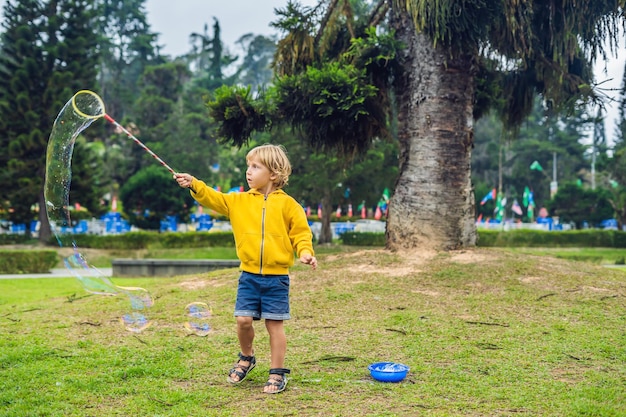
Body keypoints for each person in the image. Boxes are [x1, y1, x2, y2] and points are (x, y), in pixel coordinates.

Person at [174, 144, 317, 394]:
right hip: (249, 276)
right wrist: (194, 184)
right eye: (248, 166)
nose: (248, 172)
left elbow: (301, 234)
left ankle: (277, 372)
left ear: (273, 173)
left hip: (277, 278)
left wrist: (305, 253)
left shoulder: (289, 205)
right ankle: (247, 357)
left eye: (255, 167)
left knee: (275, 325)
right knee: (243, 320)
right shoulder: (238, 201)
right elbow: (213, 197)